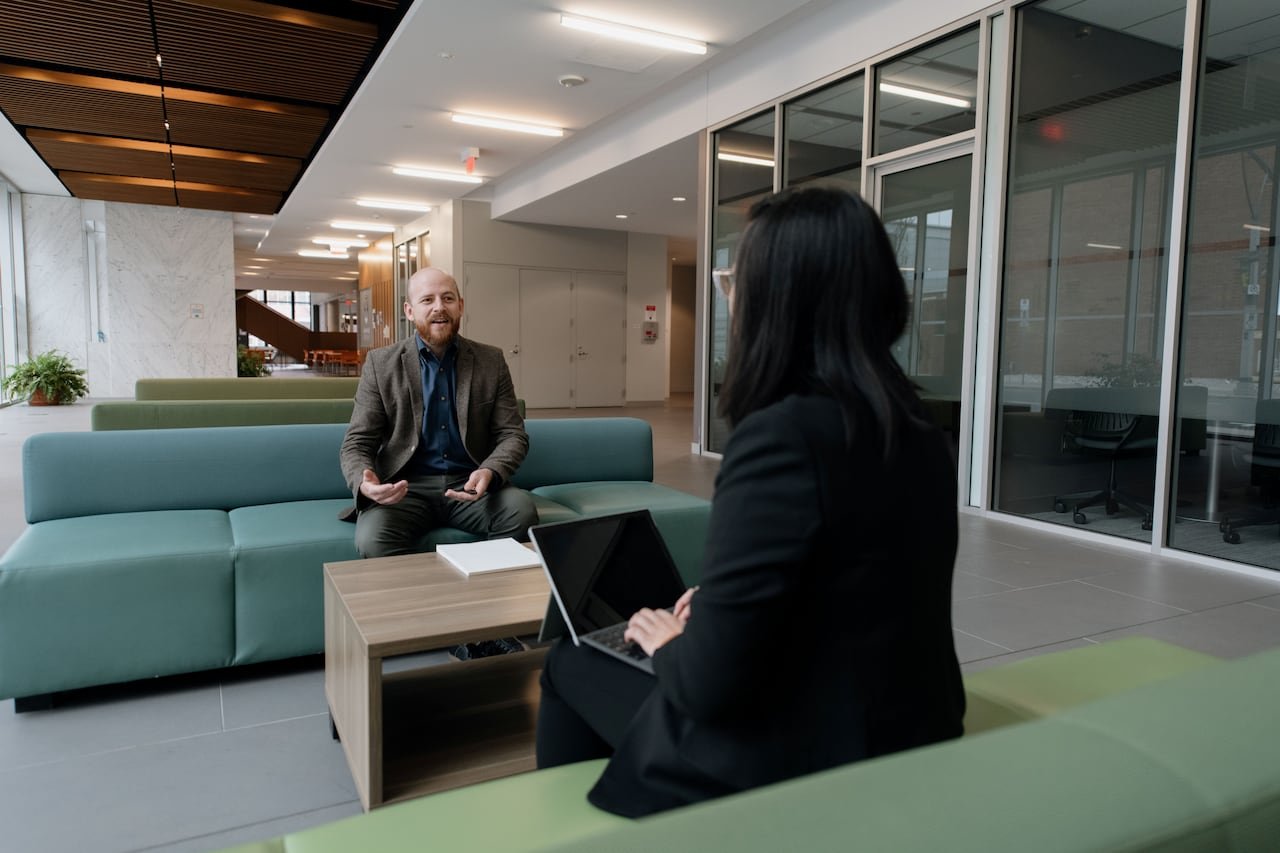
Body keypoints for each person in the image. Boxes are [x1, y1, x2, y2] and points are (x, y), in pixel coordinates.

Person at [535, 186, 965, 818]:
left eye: (736, 281)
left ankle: (590, 831)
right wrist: (723, 604)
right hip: (916, 721)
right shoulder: (918, 429)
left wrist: (672, 641)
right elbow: (863, 583)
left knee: (570, 660)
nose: (729, 299)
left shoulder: (781, 438)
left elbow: (708, 686)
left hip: (803, 757)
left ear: (776, 300)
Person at [339, 267, 538, 562]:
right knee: (372, 539)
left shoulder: (490, 361)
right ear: (409, 310)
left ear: (460, 305)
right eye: (427, 300)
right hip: (404, 489)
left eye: (447, 298)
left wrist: (490, 471)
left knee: (521, 513)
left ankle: (482, 593)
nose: (439, 307)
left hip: (470, 485)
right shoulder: (381, 364)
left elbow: (512, 434)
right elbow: (357, 442)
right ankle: (421, 604)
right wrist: (365, 484)